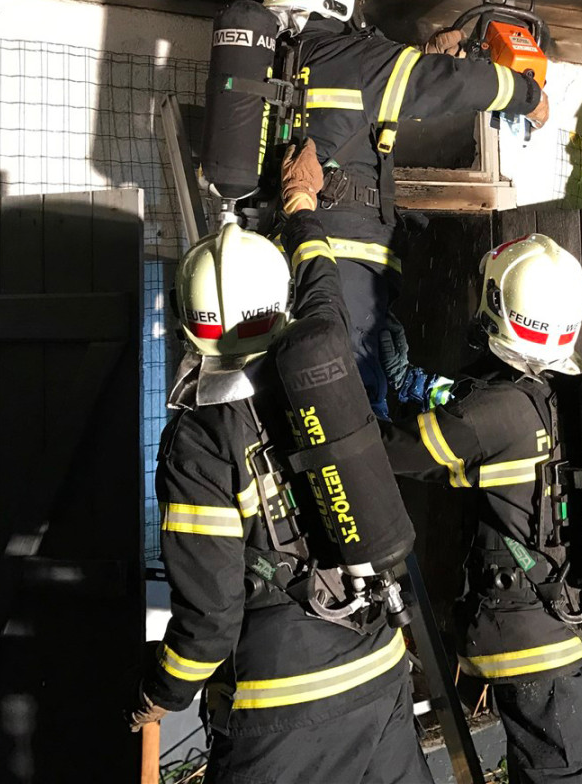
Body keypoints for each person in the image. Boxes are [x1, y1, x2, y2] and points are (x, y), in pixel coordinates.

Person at [129, 140, 431, 784]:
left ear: (189, 324)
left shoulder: (200, 440)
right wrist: (300, 202)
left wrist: (161, 694)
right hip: (378, 664)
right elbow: (322, 282)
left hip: (285, 706)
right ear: (282, 305)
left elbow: (209, 621)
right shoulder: (325, 367)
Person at [260, 0, 549, 417]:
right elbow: (452, 85)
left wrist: (424, 58)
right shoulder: (357, 59)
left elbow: (363, 107)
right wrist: (530, 96)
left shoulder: (280, 63)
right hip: (345, 262)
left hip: (296, 255)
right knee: (352, 412)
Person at [379, 233, 582, 784]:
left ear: (496, 308)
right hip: (581, 620)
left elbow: (395, 452)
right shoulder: (570, 391)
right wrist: (421, 385)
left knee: (565, 777)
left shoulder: (496, 411)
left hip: (533, 637)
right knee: (561, 765)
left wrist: (341, 399)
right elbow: (475, 410)